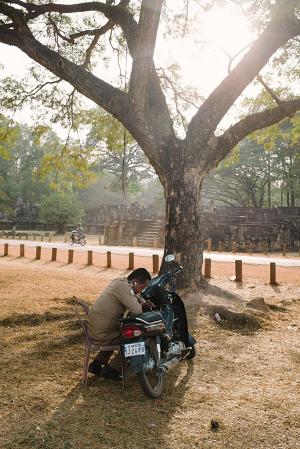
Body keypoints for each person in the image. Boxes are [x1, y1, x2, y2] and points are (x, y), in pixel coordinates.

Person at [87, 268, 152, 381]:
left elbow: (133, 296)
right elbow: (137, 312)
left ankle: (97, 365)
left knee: (119, 333)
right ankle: (113, 369)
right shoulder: (124, 288)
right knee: (133, 337)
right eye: (142, 287)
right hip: (102, 333)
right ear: (135, 282)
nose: (141, 291)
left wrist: (141, 301)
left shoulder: (120, 282)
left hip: (94, 329)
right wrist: (141, 305)